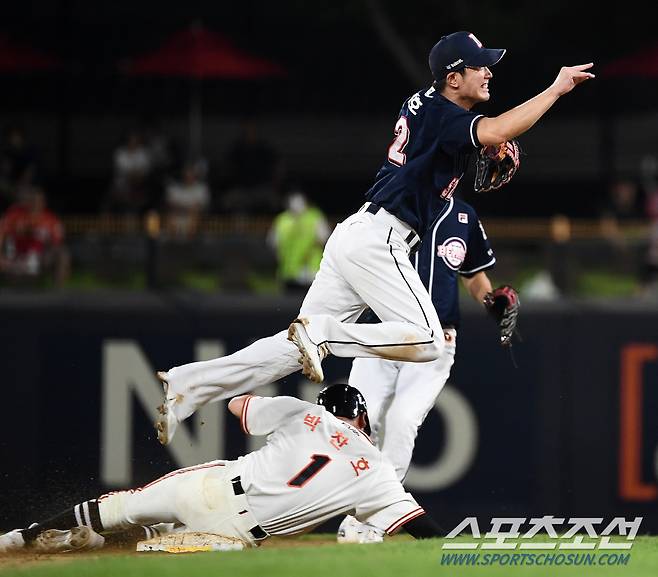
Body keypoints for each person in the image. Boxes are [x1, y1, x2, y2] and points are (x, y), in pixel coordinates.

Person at [154, 31, 594, 446]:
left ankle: (187, 385)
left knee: (291, 351)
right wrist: (555, 89)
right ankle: (325, 333)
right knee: (427, 340)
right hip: (381, 238)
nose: (489, 72)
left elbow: (469, 147)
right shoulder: (444, 113)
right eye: (480, 66)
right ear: (453, 78)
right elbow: (496, 130)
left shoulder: (428, 106)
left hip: (356, 234)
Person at [0, 384, 444, 553]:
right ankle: (120, 545)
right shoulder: (379, 470)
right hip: (235, 535)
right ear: (363, 420)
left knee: (120, 506)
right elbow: (420, 528)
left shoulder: (305, 414)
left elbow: (237, 405)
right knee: (153, 549)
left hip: (212, 485)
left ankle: (18, 540)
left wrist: (296, 411)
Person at [336, 196, 512, 542]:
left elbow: (473, 275)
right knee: (353, 424)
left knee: (402, 422)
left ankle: (371, 520)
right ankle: (344, 510)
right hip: (382, 332)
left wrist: (492, 301)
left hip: (437, 341)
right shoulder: (390, 204)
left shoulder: (463, 216)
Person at [0, 186, 70, 287]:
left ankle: (57, 290)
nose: (35, 204)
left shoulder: (51, 220)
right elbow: (1, 232)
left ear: (43, 202)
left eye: (38, 201)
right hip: (16, 257)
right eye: (32, 201)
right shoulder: (15, 215)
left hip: (39, 258)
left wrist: (41, 237)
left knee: (63, 254)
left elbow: (57, 243)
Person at [267, 189, 331, 292]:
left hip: (301, 272)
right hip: (299, 273)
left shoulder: (283, 220)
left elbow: (273, 244)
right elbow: (325, 240)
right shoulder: (313, 217)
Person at [163, 160, 211, 239]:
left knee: (195, 217)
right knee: (170, 218)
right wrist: (188, 208)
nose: (188, 176)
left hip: (193, 222)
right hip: (176, 220)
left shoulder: (202, 189)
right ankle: (174, 241)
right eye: (186, 173)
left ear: (195, 175)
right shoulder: (173, 188)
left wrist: (181, 207)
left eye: (190, 173)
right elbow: (171, 206)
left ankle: (190, 240)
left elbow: (199, 208)